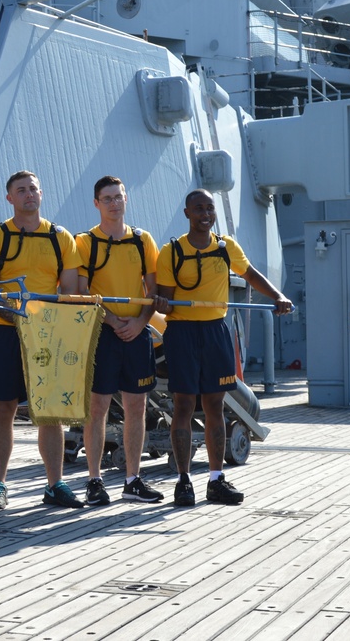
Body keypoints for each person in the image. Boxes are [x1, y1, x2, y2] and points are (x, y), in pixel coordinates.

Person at [156, 189, 293, 507]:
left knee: (216, 406)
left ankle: (216, 481)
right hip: (182, 332)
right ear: (187, 213)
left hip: (216, 331)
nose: (205, 213)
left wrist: (277, 297)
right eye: (198, 208)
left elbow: (250, 274)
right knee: (183, 406)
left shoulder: (225, 247)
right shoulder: (171, 252)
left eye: (210, 208)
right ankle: (184, 481)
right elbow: (164, 297)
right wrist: (161, 301)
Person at [0, 170, 85, 510]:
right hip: (9, 333)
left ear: (41, 193)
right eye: (21, 191)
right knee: (4, 408)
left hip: (48, 335)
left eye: (33, 189)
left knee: (51, 413)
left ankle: (55, 485)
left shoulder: (61, 237)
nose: (28, 195)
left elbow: (68, 293)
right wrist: (23, 319)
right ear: (10, 198)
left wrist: (44, 324)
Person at [76, 176, 168, 506]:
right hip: (103, 333)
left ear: (126, 199)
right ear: (96, 203)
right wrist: (114, 321)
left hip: (137, 331)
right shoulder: (86, 242)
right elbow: (83, 291)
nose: (114, 202)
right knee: (97, 407)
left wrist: (140, 322)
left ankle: (133, 479)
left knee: (136, 407)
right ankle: (94, 481)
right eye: (107, 198)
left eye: (119, 196)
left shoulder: (143, 241)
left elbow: (153, 291)